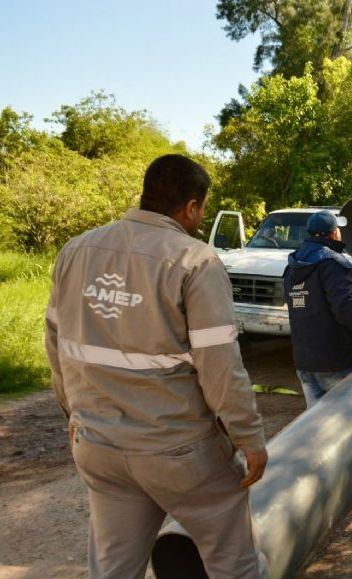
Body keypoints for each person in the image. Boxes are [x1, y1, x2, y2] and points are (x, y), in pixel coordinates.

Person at [45, 154, 268, 579]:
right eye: (201, 209)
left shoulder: (77, 250)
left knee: (113, 569)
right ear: (191, 207)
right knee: (234, 565)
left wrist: (74, 414)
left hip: (100, 446)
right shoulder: (194, 260)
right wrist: (248, 438)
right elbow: (220, 365)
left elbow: (57, 347)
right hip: (180, 453)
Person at [284, 210, 352, 408]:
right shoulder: (332, 263)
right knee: (349, 422)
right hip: (336, 360)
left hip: (305, 362)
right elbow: (346, 308)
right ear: (333, 234)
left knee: (317, 426)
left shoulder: (293, 265)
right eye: (338, 229)